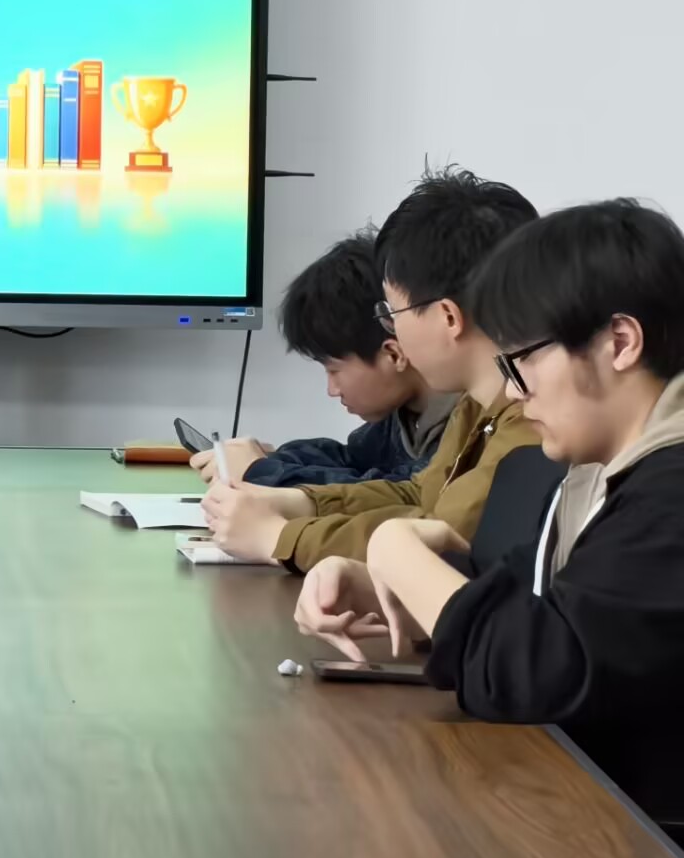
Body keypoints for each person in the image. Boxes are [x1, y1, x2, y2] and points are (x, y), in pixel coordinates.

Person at [298, 201, 684, 839]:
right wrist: (384, 584)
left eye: (522, 360)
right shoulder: (602, 471)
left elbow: (536, 672)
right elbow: (542, 605)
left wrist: (395, 547)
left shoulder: (670, 489)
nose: (511, 390)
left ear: (619, 342)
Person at [204, 167, 539, 567]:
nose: (391, 328)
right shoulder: (477, 403)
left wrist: (279, 538)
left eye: (392, 312)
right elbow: (417, 493)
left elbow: (443, 537)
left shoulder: (531, 419)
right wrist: (295, 501)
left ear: (448, 317)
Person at [192, 232, 455, 487]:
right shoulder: (403, 415)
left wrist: (261, 471)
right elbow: (349, 460)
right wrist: (271, 461)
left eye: (333, 369)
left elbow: (398, 492)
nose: (332, 390)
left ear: (394, 354)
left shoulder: (463, 427)